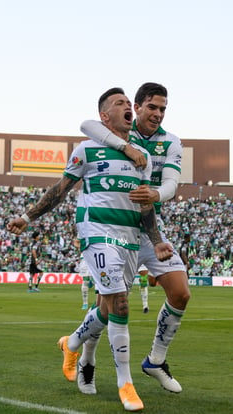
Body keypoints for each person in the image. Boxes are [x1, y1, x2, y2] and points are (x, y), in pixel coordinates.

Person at [7, 87, 173, 412]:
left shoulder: (143, 155)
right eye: (119, 103)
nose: (127, 106)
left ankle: (70, 344)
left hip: (128, 236)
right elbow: (60, 189)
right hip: (96, 232)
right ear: (105, 115)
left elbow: (144, 205)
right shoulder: (86, 150)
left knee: (109, 308)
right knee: (122, 304)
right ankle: (126, 384)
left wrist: (155, 241)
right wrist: (27, 216)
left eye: (129, 103)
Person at [80, 82, 190, 393]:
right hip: (115, 229)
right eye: (152, 107)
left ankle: (156, 359)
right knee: (108, 305)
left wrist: (156, 193)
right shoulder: (119, 132)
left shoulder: (170, 142)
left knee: (180, 292)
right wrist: (126, 147)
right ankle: (87, 360)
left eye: (163, 109)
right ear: (137, 107)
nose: (158, 114)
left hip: (150, 227)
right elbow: (87, 124)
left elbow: (171, 182)